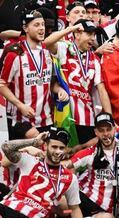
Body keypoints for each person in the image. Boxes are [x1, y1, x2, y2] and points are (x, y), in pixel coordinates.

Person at [62, 112, 119, 218]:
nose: (106, 134)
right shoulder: (91, 151)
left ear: (115, 129)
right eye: (101, 130)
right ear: (96, 132)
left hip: (105, 211)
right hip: (84, 201)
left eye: (108, 129)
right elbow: (68, 165)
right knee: (62, 205)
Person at [0, 128, 93, 218]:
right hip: (7, 207)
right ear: (46, 145)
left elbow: (74, 208)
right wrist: (33, 142)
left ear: (66, 149)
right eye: (54, 147)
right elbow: (6, 147)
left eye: (61, 148)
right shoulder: (30, 160)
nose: (58, 151)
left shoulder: (70, 178)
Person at [0, 10, 68, 139]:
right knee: (26, 157)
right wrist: (20, 105)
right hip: (21, 120)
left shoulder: (48, 52)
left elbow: (51, 82)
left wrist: (59, 90)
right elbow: (2, 84)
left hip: (46, 119)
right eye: (36, 25)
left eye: (42, 24)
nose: (42, 28)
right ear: (25, 28)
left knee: (45, 157)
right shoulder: (14, 54)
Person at [45, 18, 112, 144]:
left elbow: (102, 91)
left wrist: (109, 118)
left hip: (87, 118)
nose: (93, 38)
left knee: (84, 158)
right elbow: (47, 43)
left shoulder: (95, 59)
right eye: (89, 34)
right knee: (63, 153)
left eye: (94, 34)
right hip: (65, 116)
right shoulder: (64, 49)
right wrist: (70, 29)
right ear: (77, 34)